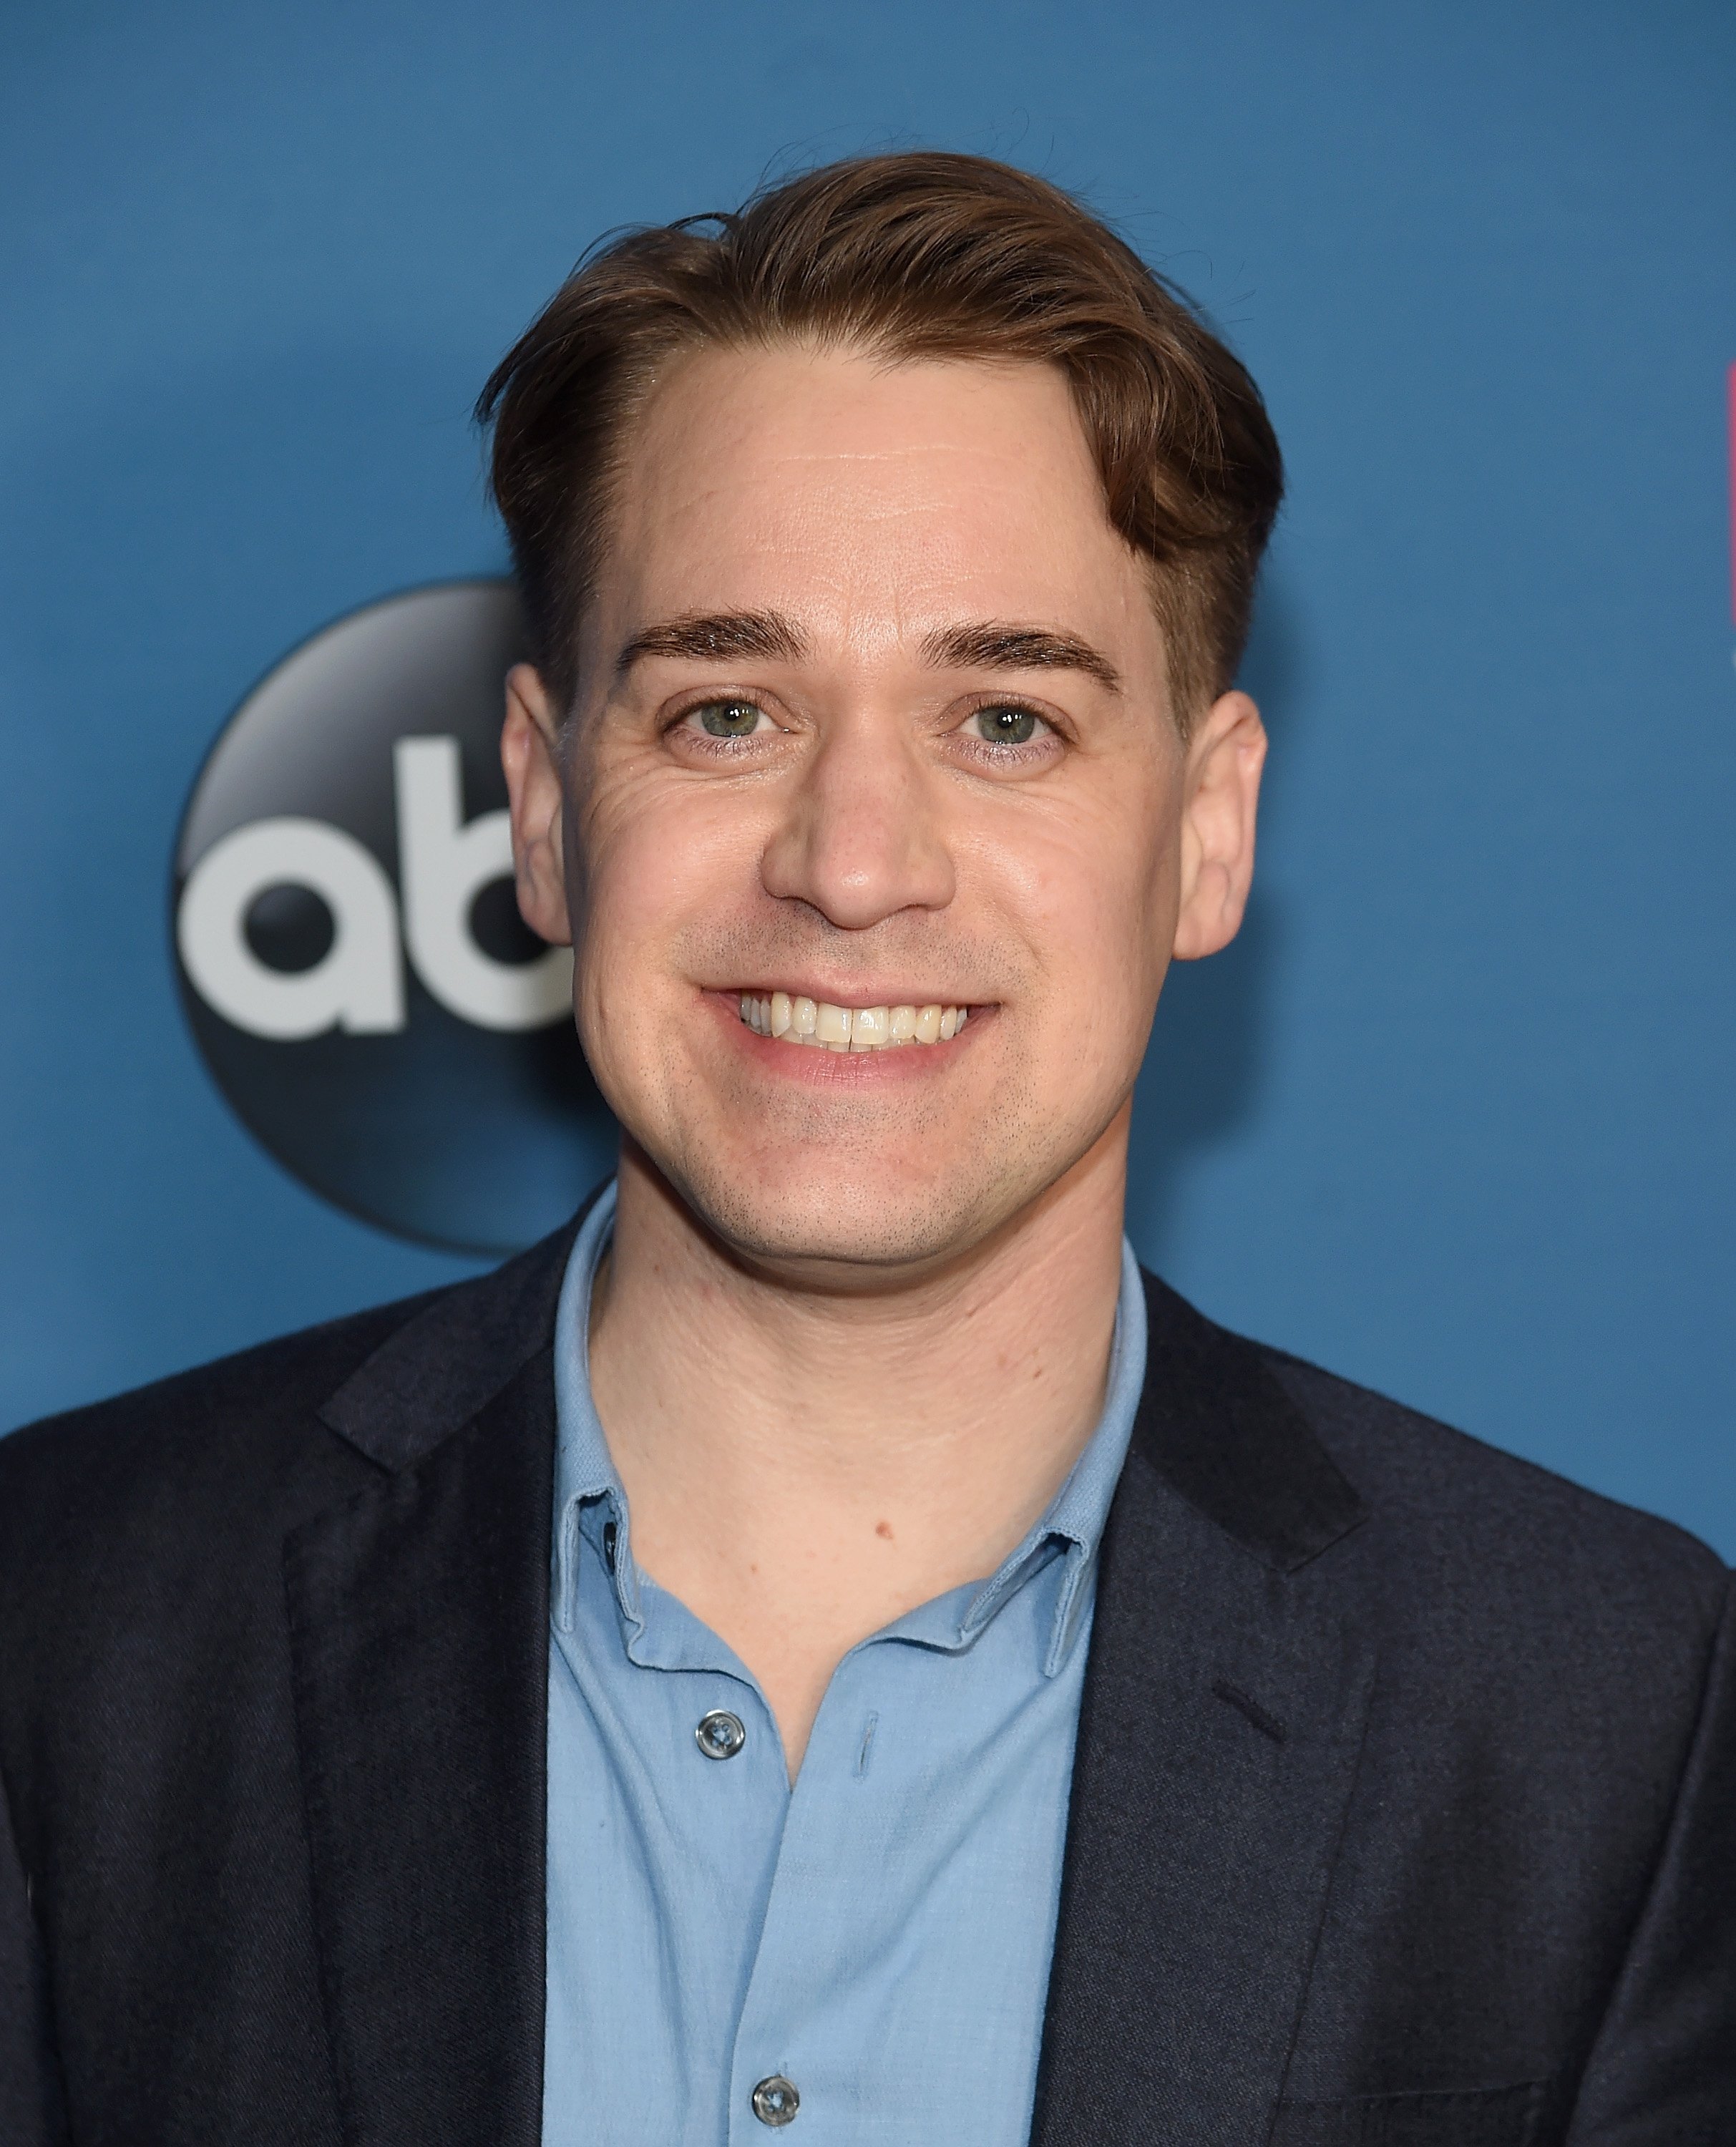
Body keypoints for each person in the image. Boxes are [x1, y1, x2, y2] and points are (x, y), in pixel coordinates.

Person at [1, 153, 1730, 2147]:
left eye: (1004, 722)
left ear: (1208, 831)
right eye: (728, 709)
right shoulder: (68, 1624)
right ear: (543, 811)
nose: (848, 865)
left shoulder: (1598, 1707)